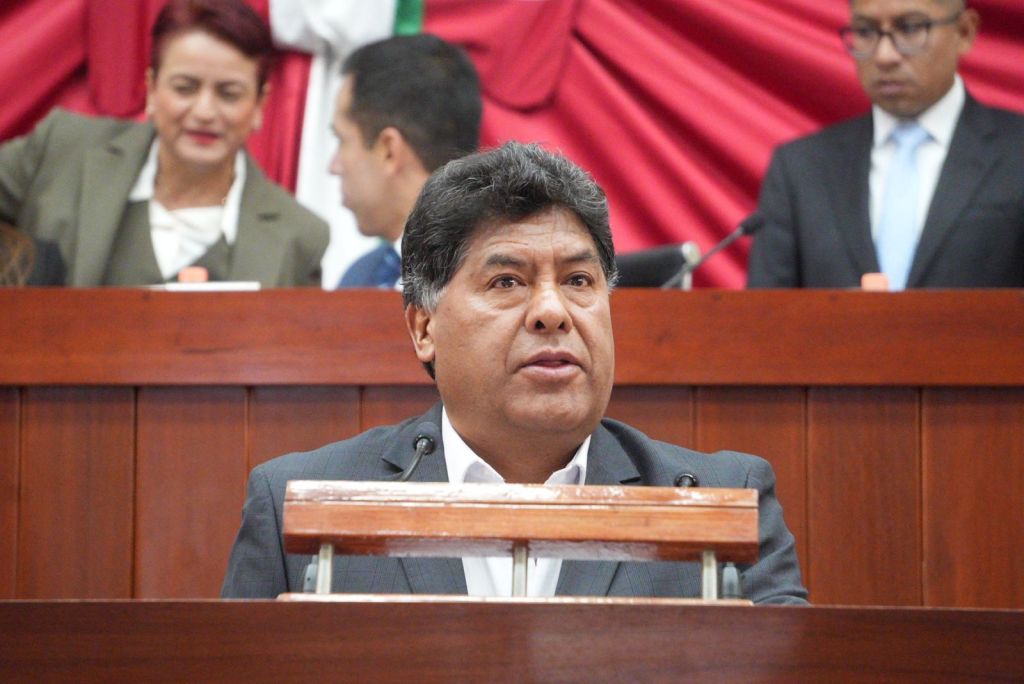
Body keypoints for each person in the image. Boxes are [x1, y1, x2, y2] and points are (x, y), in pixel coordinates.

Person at [222, 142, 808, 604]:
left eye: (578, 281)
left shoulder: (723, 503)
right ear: (424, 328)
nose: (553, 311)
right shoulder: (296, 506)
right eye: (507, 281)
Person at [0, 0, 328, 287]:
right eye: (185, 88)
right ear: (152, 89)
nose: (204, 112)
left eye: (229, 94)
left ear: (259, 105)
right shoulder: (61, 149)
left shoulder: (300, 237)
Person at [747, 0, 1024, 289]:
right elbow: (766, 312)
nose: (884, 55)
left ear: (964, 32)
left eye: (911, 29)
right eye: (866, 31)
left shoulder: (1016, 152)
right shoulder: (801, 168)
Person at [331, 34, 481, 289]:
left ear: (388, 150)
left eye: (342, 140)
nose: (334, 166)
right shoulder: (360, 279)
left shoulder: (498, 277)